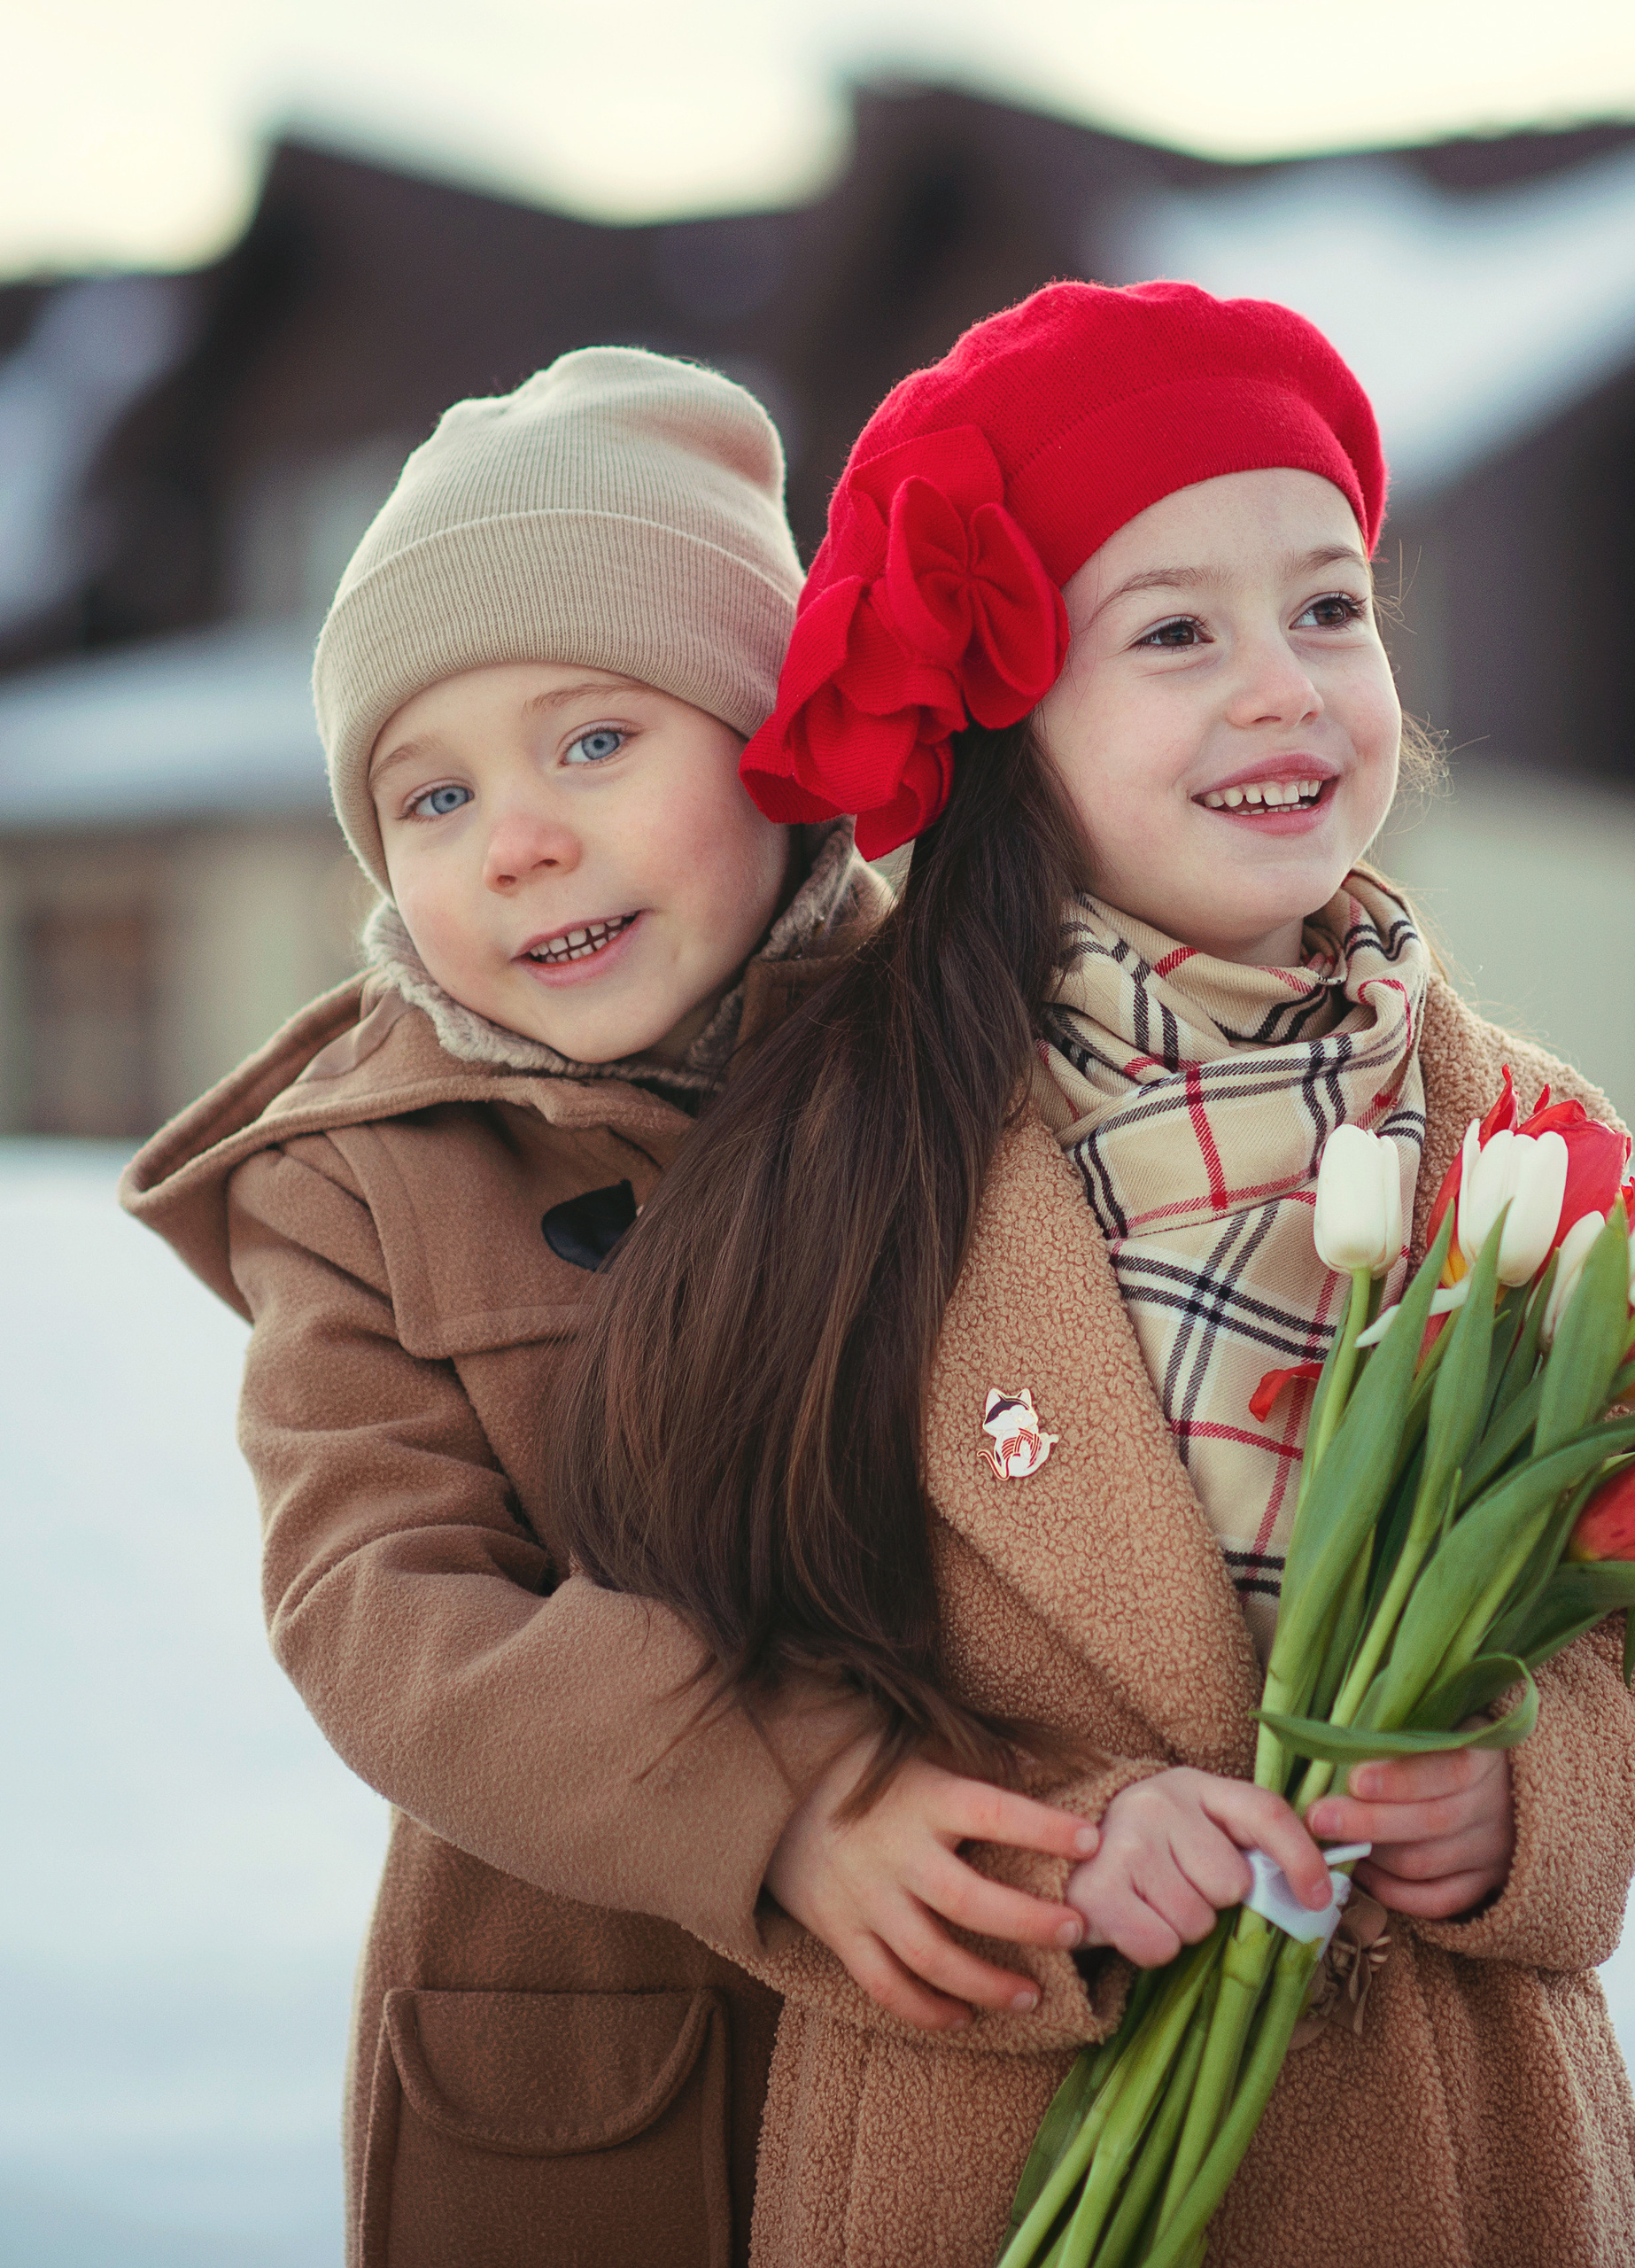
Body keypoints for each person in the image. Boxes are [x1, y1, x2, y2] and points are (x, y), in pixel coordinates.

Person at [551, 283, 1635, 2267]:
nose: (1281, 685)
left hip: (1456, 2142)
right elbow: (709, 1616)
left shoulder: (1504, 1120)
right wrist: (1055, 1840)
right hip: (992, 2127)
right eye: (1174, 631)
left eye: (1329, 607)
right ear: (1007, 714)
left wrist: (1536, 1787)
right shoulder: (848, 1126)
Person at [120, 347, 1075, 2264]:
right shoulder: (364, 1178)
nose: (517, 837)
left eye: (591, 743)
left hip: (988, 2020)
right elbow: (380, 1605)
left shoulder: (972, 1049)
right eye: (431, 792)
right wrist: (778, 1789)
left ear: (764, 739)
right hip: (589, 2058)